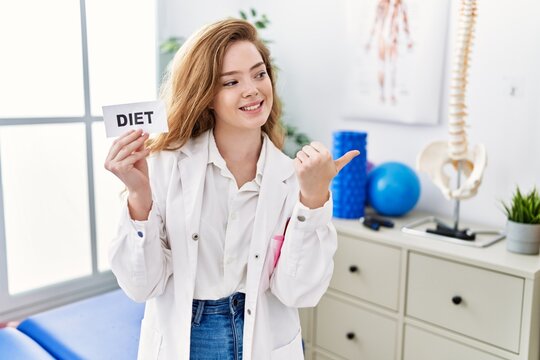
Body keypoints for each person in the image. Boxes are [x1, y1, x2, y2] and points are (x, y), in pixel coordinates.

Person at [105, 18, 359, 360]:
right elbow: (141, 286)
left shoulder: (291, 176)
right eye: (231, 82)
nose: (253, 89)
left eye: (259, 74)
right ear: (206, 95)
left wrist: (312, 200)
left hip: (264, 340)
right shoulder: (164, 165)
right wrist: (138, 196)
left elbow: (298, 293)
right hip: (187, 337)